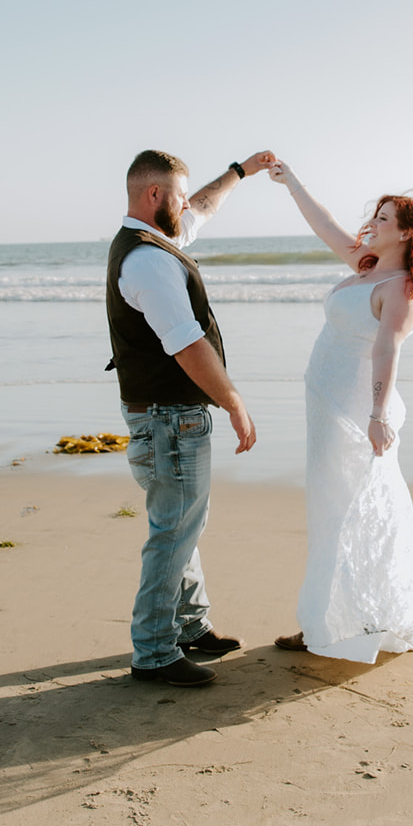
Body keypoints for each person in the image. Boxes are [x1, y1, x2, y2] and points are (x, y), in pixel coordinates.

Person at [266, 159, 413, 662]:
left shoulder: (400, 289)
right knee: (329, 509)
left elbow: (388, 350)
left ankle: (345, 621)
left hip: (355, 410)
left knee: (348, 510)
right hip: (324, 405)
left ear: (410, 234)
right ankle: (329, 617)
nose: (375, 223)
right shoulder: (366, 266)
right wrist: (291, 183)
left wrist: (378, 414)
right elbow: (324, 225)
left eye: (386, 218)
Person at [107, 148, 272, 687]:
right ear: (153, 195)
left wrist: (240, 173)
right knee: (173, 532)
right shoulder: (149, 260)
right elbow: (187, 344)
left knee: (182, 525)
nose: (186, 203)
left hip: (163, 417)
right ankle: (153, 652)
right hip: (169, 419)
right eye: (176, 195)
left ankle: (190, 627)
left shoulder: (155, 239)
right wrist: (234, 401)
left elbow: (202, 205)